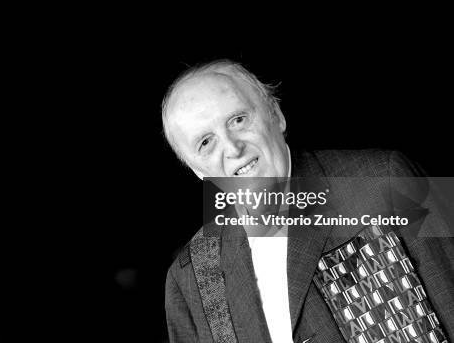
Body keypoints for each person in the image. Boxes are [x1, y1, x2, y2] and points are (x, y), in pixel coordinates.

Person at [162, 59, 454, 342]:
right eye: (205, 142)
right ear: (198, 170)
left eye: (238, 120)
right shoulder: (191, 276)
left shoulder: (387, 178)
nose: (232, 148)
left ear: (275, 115)